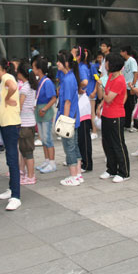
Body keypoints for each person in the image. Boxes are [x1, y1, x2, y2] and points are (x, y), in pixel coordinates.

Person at [0, 56, 22, 211]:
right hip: (6, 123)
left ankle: (16, 196)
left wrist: (8, 98)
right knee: (10, 159)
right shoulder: (3, 79)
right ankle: (12, 188)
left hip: (11, 123)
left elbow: (13, 87)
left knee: (12, 158)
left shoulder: (8, 77)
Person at [98, 52, 130, 183]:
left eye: (107, 62)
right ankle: (111, 169)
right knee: (107, 143)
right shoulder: (110, 76)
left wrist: (102, 87)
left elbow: (109, 98)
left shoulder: (119, 80)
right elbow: (101, 96)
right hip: (106, 114)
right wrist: (100, 84)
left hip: (116, 115)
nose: (105, 65)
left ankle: (124, 172)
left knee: (118, 144)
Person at [56, 52, 83, 186]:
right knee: (74, 145)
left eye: (59, 61)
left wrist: (64, 121)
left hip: (69, 118)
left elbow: (66, 102)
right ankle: (78, 174)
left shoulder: (67, 79)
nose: (57, 64)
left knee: (69, 147)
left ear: (66, 63)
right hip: (74, 117)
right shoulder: (71, 77)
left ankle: (73, 176)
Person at [32, 56, 58, 174]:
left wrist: (45, 109)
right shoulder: (40, 80)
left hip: (45, 111)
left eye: (34, 67)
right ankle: (47, 160)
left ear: (39, 69)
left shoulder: (46, 82)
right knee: (43, 138)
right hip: (40, 110)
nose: (32, 69)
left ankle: (52, 162)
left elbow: (53, 98)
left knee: (47, 138)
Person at [16, 61, 37, 185]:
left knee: (27, 152)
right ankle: (29, 175)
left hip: (25, 124)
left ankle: (30, 176)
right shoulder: (31, 85)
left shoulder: (24, 88)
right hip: (29, 123)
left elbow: (19, 106)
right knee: (25, 151)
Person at [75, 47, 93, 172]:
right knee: (80, 137)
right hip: (79, 105)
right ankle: (82, 161)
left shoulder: (81, 67)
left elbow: (85, 82)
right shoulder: (77, 66)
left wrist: (77, 85)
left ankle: (87, 164)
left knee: (84, 137)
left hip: (83, 106)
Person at [120, 45, 138, 133]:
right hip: (125, 87)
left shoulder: (132, 61)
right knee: (126, 106)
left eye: (121, 51)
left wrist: (133, 86)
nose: (120, 53)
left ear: (125, 52)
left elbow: (136, 73)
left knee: (133, 106)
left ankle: (136, 124)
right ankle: (127, 124)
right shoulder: (125, 61)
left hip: (131, 86)